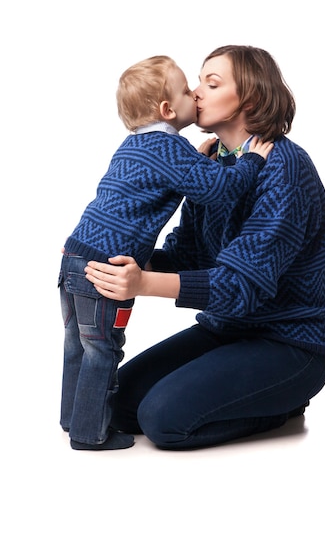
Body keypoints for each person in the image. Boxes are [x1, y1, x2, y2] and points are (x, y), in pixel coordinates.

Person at [85, 45, 325, 451]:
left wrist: (144, 283)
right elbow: (187, 256)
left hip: (289, 343)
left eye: (211, 82)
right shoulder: (214, 167)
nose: (197, 91)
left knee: (162, 420)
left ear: (251, 98)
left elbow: (241, 287)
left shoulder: (285, 169)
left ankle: (281, 406)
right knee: (112, 404)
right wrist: (118, 259)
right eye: (198, 82)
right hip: (225, 329)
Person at [59, 55, 274, 450]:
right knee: (102, 348)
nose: (195, 92)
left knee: (77, 343)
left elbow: (164, 182)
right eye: (188, 88)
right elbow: (219, 188)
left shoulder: (135, 143)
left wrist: (199, 159)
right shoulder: (169, 149)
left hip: (75, 253)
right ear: (167, 109)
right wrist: (251, 162)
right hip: (107, 265)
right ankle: (89, 435)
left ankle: (72, 418)